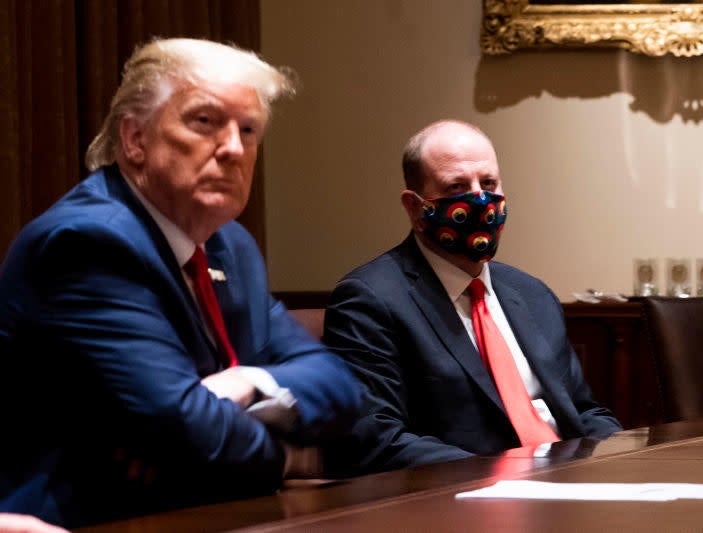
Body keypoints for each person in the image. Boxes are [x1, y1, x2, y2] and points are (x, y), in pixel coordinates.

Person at [0, 38, 361, 528]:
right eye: (205, 121)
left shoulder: (229, 246)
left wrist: (247, 382)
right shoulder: (88, 243)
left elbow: (339, 386)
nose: (234, 148)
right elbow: (185, 432)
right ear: (135, 140)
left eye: (249, 129)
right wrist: (295, 458)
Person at [322, 120, 621, 476]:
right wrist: (500, 472)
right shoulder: (370, 299)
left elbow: (583, 412)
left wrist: (631, 458)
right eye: (457, 186)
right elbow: (377, 438)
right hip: (466, 497)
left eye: (489, 183)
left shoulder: (532, 294)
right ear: (415, 208)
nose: (480, 199)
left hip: (569, 484)